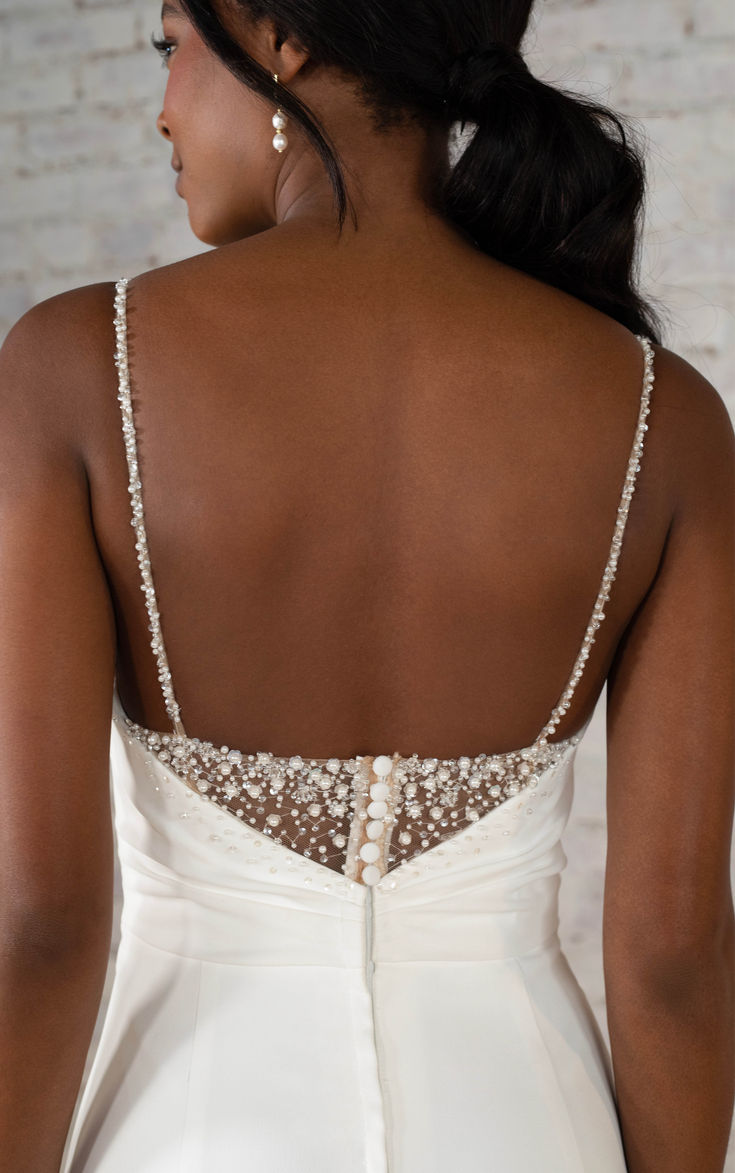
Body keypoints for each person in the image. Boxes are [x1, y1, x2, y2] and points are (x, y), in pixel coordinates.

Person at [0, 0, 733, 1169]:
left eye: (174, 44)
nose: (162, 107)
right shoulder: (665, 417)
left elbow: (41, 925)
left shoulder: (75, 369)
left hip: (194, 1131)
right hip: (529, 1126)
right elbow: (673, 961)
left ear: (278, 37)